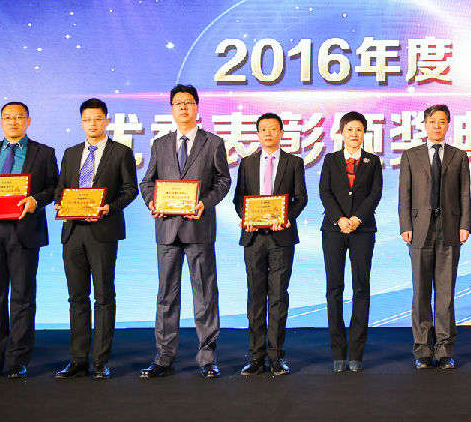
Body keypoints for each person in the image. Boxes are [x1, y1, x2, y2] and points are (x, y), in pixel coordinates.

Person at [138, 84, 231, 378]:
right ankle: (164, 357)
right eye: (178, 103)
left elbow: (223, 181)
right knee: (166, 295)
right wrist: (152, 201)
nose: (183, 107)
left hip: (198, 227)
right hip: (167, 229)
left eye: (188, 102)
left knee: (205, 294)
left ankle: (207, 358)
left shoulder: (213, 143)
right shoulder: (160, 144)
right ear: (171, 108)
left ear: (197, 107)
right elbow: (147, 181)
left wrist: (205, 203)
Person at [53, 99, 138, 379]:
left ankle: (101, 360)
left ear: (106, 121)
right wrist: (59, 203)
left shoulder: (121, 152)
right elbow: (60, 188)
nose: (93, 124)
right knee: (77, 297)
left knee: (103, 296)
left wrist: (108, 208)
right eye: (88, 119)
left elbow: (130, 190)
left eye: (98, 119)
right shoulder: (70, 153)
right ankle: (78, 360)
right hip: (73, 232)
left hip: (103, 231)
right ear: (81, 123)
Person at [0, 101, 58, 379]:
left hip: (24, 231)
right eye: (7, 117)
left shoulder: (44, 153)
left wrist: (36, 201)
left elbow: (54, 188)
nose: (13, 122)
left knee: (22, 297)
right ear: (0, 121)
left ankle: (18, 361)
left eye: (19, 117)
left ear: (28, 121)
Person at [233, 113, 308, 376]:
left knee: (277, 297)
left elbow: (300, 198)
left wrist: (287, 218)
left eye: (273, 129)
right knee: (255, 298)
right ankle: (256, 357)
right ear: (257, 133)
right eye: (263, 129)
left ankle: (276, 357)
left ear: (281, 133)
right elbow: (239, 198)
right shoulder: (247, 163)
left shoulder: (294, 162)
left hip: (281, 237)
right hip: (253, 238)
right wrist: (246, 218)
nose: (268, 133)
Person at [398, 104, 471, 370]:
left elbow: (465, 193)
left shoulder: (458, 156)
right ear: (425, 124)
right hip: (419, 229)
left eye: (442, 121)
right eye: (432, 121)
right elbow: (404, 193)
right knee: (420, 292)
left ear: (448, 125)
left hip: (450, 229)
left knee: (445, 293)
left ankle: (444, 350)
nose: (437, 126)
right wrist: (405, 224)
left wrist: (465, 224)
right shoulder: (411, 155)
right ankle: (422, 350)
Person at [319, 112, 382, 372]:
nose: (354, 134)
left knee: (361, 288)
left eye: (358, 130)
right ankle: (338, 353)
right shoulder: (330, 160)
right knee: (334, 288)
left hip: (362, 230)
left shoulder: (372, 161)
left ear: (364, 133)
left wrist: (356, 219)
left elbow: (375, 194)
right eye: (349, 130)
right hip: (334, 230)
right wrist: (340, 219)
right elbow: (325, 192)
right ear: (341, 133)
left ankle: (356, 353)